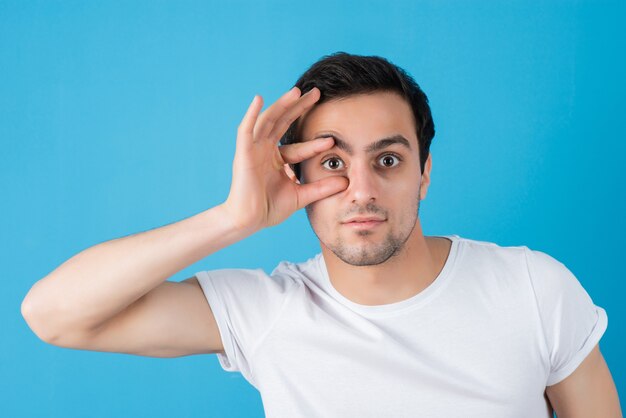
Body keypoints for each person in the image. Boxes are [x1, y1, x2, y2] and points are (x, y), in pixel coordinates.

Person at [21, 52, 622, 418]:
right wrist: (232, 219)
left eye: (387, 161)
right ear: (297, 175)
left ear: (424, 174)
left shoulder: (531, 288)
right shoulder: (266, 311)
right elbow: (54, 315)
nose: (361, 190)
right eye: (334, 163)